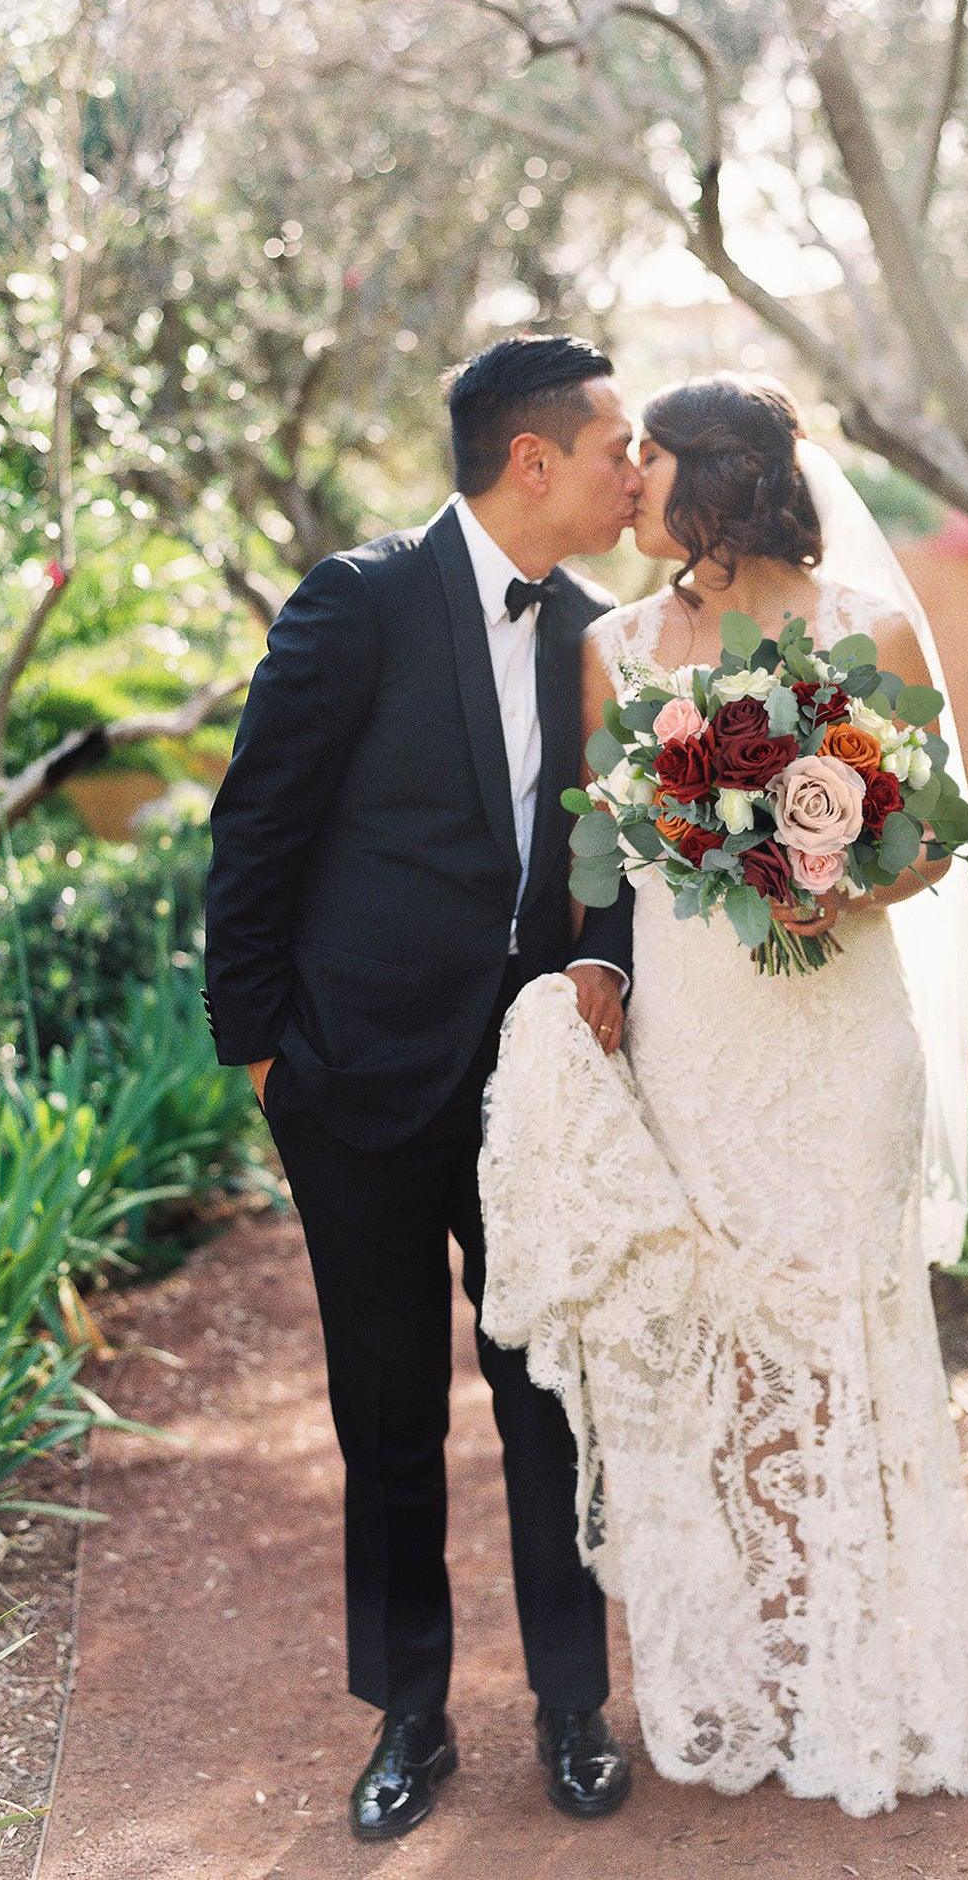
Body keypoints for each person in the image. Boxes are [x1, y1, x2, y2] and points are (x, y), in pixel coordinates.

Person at [479, 373, 968, 1819]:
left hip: (837, 1041)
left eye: (649, 457)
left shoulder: (868, 635)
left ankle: (866, 1680)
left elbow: (929, 850)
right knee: (719, 1349)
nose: (626, 478)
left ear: (718, 484)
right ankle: (749, 1679)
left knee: (840, 1333)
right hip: (697, 1047)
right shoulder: (616, 647)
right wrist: (597, 979)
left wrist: (822, 861)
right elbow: (595, 861)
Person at [202, 334, 640, 1841]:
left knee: (552, 1401)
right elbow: (254, 827)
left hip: (529, 1093)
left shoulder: (600, 631)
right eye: (612, 445)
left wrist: (613, 969)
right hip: (351, 1079)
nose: (630, 471)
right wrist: (260, 1054)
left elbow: (623, 849)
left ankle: (573, 1706)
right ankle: (410, 1716)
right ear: (535, 460)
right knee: (385, 1410)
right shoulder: (361, 600)